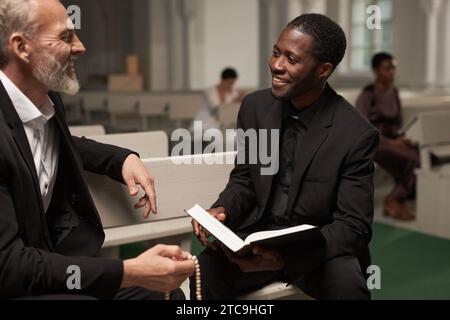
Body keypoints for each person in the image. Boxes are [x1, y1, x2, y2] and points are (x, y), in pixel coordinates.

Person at [0, 0, 194, 300]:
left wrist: (122, 159)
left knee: (160, 298)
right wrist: (129, 271)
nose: (80, 47)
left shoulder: (46, 102)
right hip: (14, 280)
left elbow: (56, 145)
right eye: (66, 37)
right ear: (21, 47)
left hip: (48, 269)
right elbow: (9, 267)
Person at [191, 13, 379, 300]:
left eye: (292, 59)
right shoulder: (254, 107)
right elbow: (245, 179)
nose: (276, 65)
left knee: (348, 286)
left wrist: (286, 260)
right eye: (276, 52)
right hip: (258, 236)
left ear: (323, 70)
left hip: (317, 248)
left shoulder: (355, 133)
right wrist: (223, 210)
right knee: (204, 271)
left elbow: (353, 227)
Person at [356, 52, 419, 221]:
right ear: (376, 71)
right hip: (374, 142)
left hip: (392, 140)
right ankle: (394, 199)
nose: (391, 72)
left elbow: (398, 124)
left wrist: (402, 138)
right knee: (413, 159)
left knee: (420, 153)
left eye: (393, 68)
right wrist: (391, 142)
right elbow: (363, 128)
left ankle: (400, 197)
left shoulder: (394, 93)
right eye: (387, 68)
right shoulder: (368, 95)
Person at [192, 67, 245, 132]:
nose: (230, 85)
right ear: (222, 80)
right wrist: (235, 100)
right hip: (206, 121)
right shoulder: (210, 91)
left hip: (224, 124)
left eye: (232, 83)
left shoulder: (234, 93)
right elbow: (216, 109)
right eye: (229, 82)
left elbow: (232, 110)